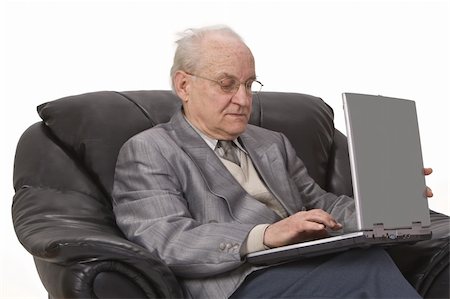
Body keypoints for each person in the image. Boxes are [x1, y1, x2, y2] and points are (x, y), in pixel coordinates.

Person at [112, 25, 432, 298]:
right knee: (367, 269)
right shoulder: (149, 149)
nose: (243, 99)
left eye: (249, 84)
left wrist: (386, 202)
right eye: (227, 84)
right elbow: (165, 239)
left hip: (301, 261)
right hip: (236, 279)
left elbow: (323, 205)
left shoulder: (270, 142)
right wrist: (265, 235)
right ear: (184, 85)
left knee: (371, 256)